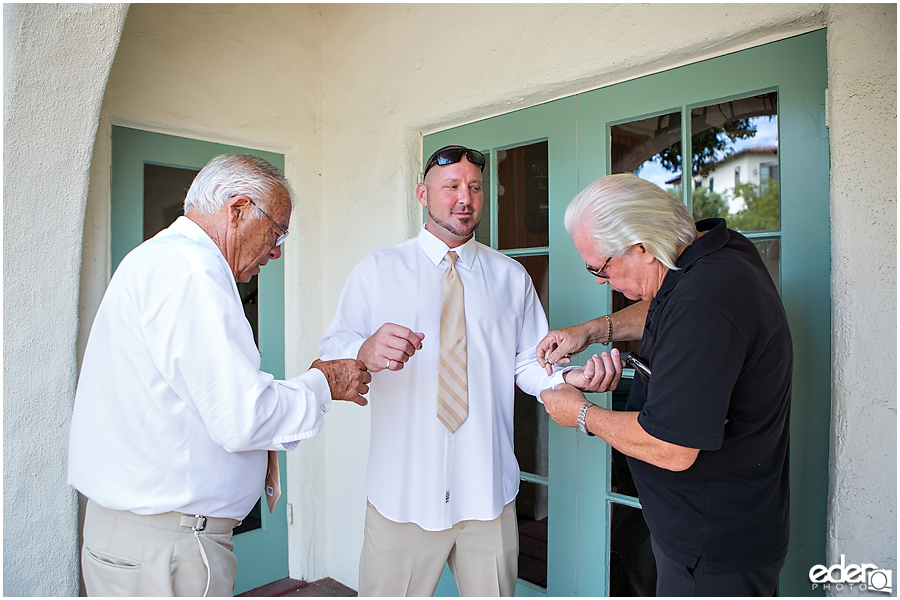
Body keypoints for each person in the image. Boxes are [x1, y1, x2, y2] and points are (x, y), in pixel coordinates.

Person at [68, 154, 371, 597]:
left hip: (148, 542)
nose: (277, 250)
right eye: (276, 231)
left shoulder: (163, 260)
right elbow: (243, 417)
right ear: (238, 209)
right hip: (166, 550)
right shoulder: (191, 271)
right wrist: (323, 382)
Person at [319, 146, 605, 597]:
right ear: (423, 194)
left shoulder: (511, 277)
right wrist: (365, 348)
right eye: (451, 186)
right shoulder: (377, 271)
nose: (464, 198)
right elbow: (333, 352)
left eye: (474, 187)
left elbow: (529, 362)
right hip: (403, 495)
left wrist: (565, 379)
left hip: (486, 492)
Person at [538, 173, 792, 596]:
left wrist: (580, 413)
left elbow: (672, 448)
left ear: (641, 247)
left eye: (599, 267)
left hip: (711, 553)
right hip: (710, 530)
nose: (599, 280)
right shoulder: (712, 253)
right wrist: (594, 329)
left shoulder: (704, 301)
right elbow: (665, 305)